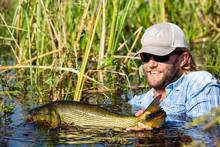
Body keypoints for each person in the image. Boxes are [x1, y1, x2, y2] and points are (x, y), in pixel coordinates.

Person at [127, 22, 220, 131]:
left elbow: (207, 130)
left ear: (183, 59)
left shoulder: (199, 83)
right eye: (145, 57)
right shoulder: (138, 101)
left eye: (160, 56)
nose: (151, 64)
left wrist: (160, 123)